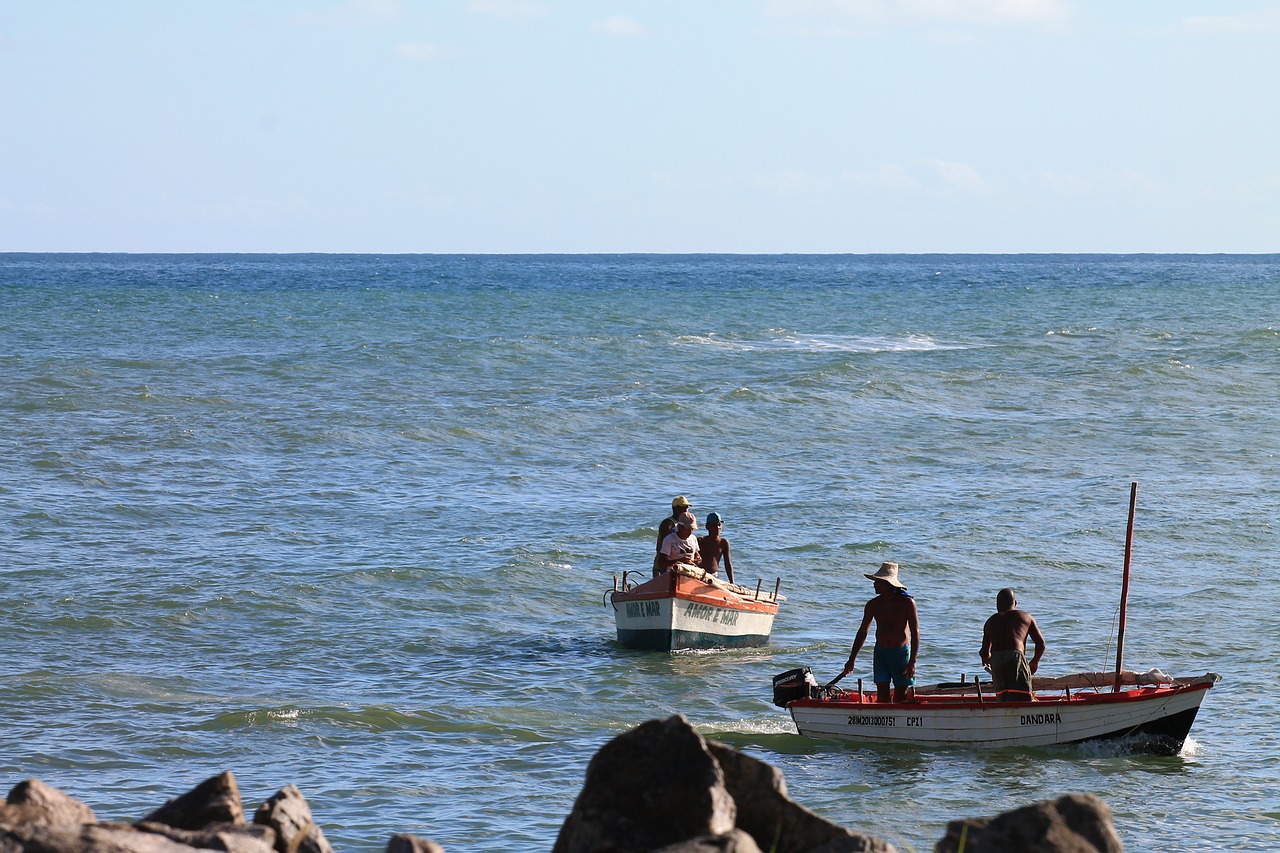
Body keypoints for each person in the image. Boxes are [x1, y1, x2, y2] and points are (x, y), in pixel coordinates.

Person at [837, 562, 920, 703]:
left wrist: (912, 661)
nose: (874, 585)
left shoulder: (907, 603)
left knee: (900, 695)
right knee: (882, 693)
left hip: (901, 653)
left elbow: (915, 632)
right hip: (881, 653)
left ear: (888, 584)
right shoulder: (873, 604)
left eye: (877, 582)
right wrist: (851, 660)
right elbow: (862, 632)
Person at [980, 588, 1046, 702]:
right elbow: (1041, 644)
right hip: (1015, 657)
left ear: (998, 604)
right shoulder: (1025, 616)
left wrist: (986, 659)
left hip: (996, 659)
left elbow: (985, 652)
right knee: (1023, 697)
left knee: (1003, 699)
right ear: (1015, 603)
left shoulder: (990, 621)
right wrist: (1035, 661)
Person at [654, 496, 692, 575]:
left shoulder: (685, 524)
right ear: (675, 509)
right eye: (683, 508)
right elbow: (666, 546)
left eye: (687, 508)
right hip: (664, 565)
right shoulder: (668, 524)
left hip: (677, 564)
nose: (686, 510)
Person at [697, 511, 735, 583]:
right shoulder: (700, 541)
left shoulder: (723, 542)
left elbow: (728, 564)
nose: (717, 528)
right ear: (707, 526)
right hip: (699, 574)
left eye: (719, 525)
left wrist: (732, 582)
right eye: (714, 525)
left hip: (714, 576)